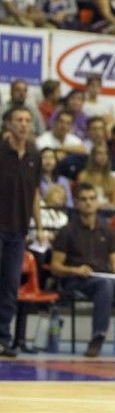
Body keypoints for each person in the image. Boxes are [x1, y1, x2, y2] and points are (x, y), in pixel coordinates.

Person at [50, 183, 115, 358]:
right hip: (77, 280)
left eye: (92, 199)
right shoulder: (66, 231)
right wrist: (75, 270)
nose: (88, 203)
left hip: (105, 277)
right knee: (104, 284)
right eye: (84, 199)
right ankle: (97, 337)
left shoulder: (107, 230)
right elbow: (55, 267)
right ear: (76, 203)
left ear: (97, 202)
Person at [0, 107, 43, 357]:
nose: (24, 125)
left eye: (28, 120)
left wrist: (38, 226)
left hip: (19, 230)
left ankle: (3, 338)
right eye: (19, 120)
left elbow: (35, 192)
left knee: (10, 285)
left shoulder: (34, 155)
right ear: (8, 124)